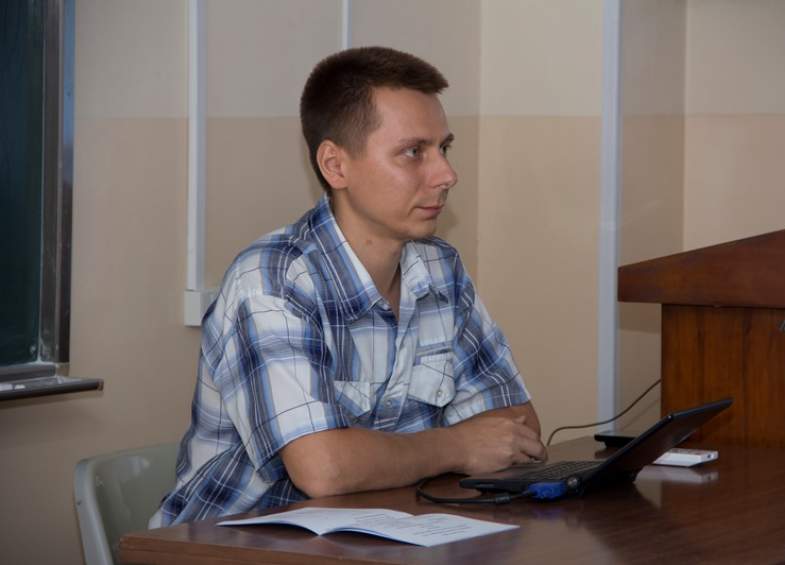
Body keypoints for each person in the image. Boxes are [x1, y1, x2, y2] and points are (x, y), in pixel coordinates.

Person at [150, 46, 545, 527]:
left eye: (444, 148)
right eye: (413, 152)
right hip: (233, 546)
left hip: (384, 534)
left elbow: (518, 432)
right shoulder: (273, 281)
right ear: (336, 166)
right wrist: (458, 446)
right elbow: (323, 469)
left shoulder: (441, 268)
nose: (446, 175)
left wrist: (398, 455)